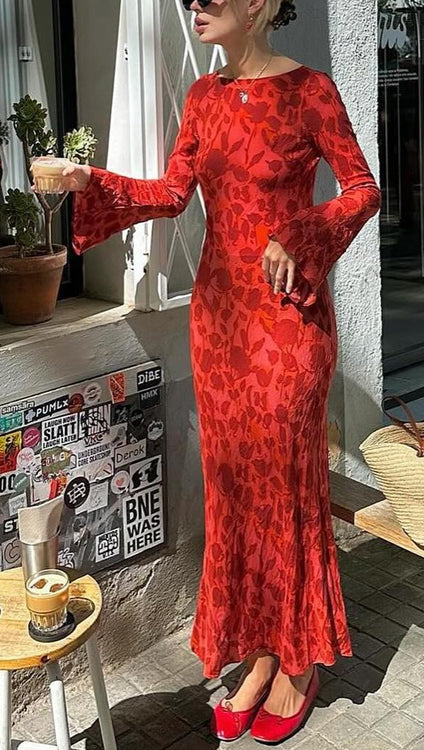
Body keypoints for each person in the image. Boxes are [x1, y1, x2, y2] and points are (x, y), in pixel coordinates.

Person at [61, 0, 381, 742]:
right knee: (237, 497)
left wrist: (300, 232)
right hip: (220, 327)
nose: (196, 4)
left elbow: (363, 189)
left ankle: (298, 659)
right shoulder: (204, 97)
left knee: (285, 489)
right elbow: (172, 195)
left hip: (289, 326)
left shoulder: (312, 91)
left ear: (261, 3)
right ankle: (262, 653)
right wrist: (88, 180)